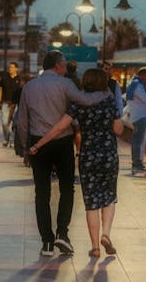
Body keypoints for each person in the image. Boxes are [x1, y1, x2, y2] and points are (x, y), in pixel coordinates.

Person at [16, 50, 108, 256]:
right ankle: (62, 234)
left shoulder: (29, 87)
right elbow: (84, 102)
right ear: (57, 66)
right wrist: (106, 92)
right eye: (65, 64)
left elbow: (22, 121)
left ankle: (46, 242)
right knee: (67, 188)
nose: (66, 68)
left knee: (42, 192)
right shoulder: (66, 84)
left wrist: (25, 148)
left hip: (37, 142)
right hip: (63, 141)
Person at [28, 68, 123, 258]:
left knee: (91, 202)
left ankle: (95, 247)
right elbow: (119, 130)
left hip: (88, 157)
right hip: (108, 156)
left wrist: (38, 144)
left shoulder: (79, 104)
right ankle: (106, 234)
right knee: (109, 197)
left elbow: (60, 127)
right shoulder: (110, 102)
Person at [126, 67, 146, 175]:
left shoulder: (134, 83)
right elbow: (145, 98)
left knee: (136, 141)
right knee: (138, 141)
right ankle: (137, 164)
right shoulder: (138, 84)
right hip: (140, 115)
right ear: (143, 75)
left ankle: (136, 163)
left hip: (137, 115)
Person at [0, 61, 21, 147]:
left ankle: (12, 141)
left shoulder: (19, 79)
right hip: (5, 104)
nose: (10, 69)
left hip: (15, 105)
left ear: (16, 69)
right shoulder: (4, 78)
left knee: (14, 124)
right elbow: (0, 91)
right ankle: (6, 138)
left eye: (12, 67)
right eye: (9, 67)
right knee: (4, 123)